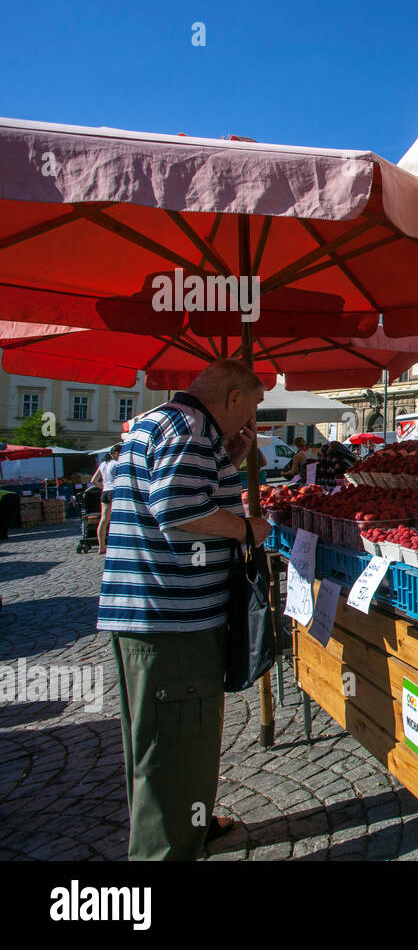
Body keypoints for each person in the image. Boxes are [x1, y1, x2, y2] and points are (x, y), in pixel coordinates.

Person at [98, 358, 271, 861]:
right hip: (172, 617)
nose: (250, 422)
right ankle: (166, 850)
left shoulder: (158, 421)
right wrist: (245, 530)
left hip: (151, 612)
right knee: (175, 741)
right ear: (233, 397)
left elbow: (176, 495)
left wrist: (229, 463)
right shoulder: (190, 429)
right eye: (251, 407)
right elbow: (179, 511)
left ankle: (183, 823)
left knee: (162, 740)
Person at [89, 444, 121, 553]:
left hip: (105, 492)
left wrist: (103, 487)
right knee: (118, 519)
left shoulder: (103, 464)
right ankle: (118, 544)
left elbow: (93, 480)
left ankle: (101, 546)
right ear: (116, 453)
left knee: (103, 520)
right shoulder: (117, 464)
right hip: (115, 491)